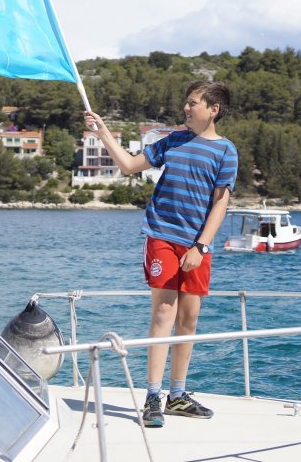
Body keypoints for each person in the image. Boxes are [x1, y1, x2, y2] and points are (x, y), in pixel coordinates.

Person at [84, 81, 238, 428]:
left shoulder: (226, 151)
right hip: (162, 236)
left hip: (197, 243)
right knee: (164, 312)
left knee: (190, 318)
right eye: (186, 102)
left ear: (214, 109)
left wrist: (201, 246)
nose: (186, 108)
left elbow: (221, 202)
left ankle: (177, 396)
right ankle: (153, 396)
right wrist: (104, 132)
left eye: (193, 103)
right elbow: (128, 166)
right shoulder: (173, 140)